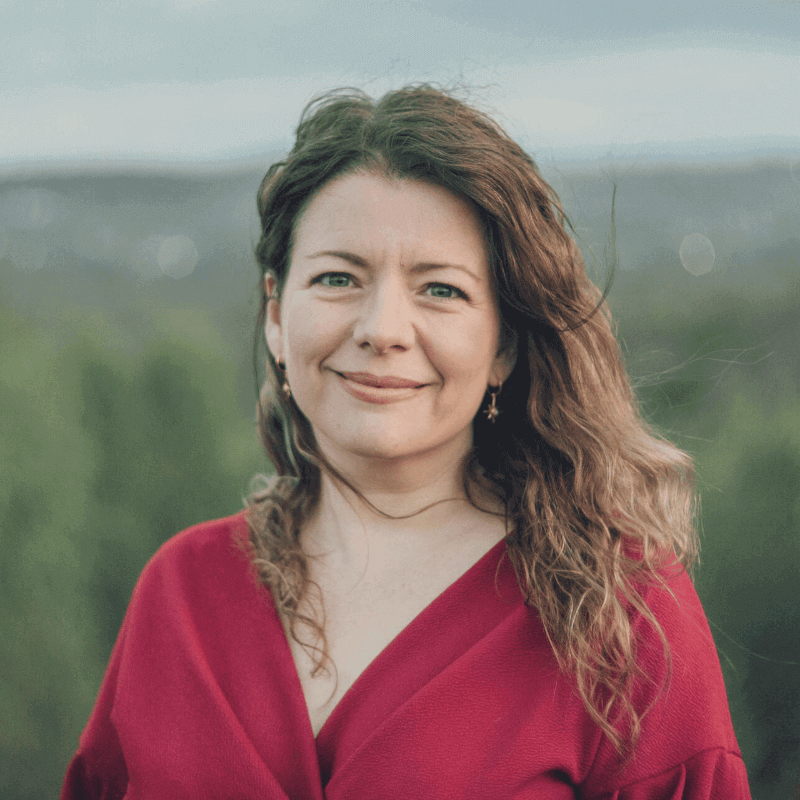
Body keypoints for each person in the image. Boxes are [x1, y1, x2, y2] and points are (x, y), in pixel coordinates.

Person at [61, 85, 751, 799]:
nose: (382, 329)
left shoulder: (620, 611)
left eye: (440, 290)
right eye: (337, 278)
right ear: (276, 314)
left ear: (504, 345)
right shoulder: (180, 597)